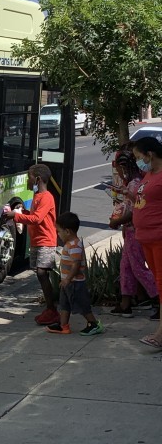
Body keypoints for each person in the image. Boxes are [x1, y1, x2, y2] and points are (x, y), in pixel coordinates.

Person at [5, 164, 59, 325]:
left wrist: (16, 216)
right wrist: (23, 212)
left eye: (29, 178)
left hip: (46, 241)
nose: (28, 181)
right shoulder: (37, 196)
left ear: (37, 179)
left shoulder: (46, 197)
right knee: (39, 273)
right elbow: (34, 216)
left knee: (42, 273)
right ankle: (50, 308)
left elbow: (37, 219)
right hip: (37, 240)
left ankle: (52, 309)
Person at [108, 149, 157, 317]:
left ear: (124, 167)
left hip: (134, 231)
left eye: (118, 168)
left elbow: (136, 210)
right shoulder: (132, 183)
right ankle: (126, 303)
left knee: (138, 268)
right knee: (126, 267)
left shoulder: (135, 183)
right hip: (130, 231)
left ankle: (158, 298)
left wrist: (117, 221)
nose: (118, 172)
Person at [46, 212, 104, 335]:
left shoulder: (75, 245)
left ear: (67, 232)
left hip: (74, 283)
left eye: (59, 231)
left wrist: (68, 279)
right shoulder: (70, 244)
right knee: (64, 304)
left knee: (81, 305)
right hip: (67, 282)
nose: (58, 234)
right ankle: (63, 326)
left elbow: (76, 264)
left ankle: (93, 324)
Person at [131, 137, 162, 348]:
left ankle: (160, 335)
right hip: (146, 238)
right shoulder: (150, 174)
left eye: (139, 157)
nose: (138, 162)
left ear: (149, 154)